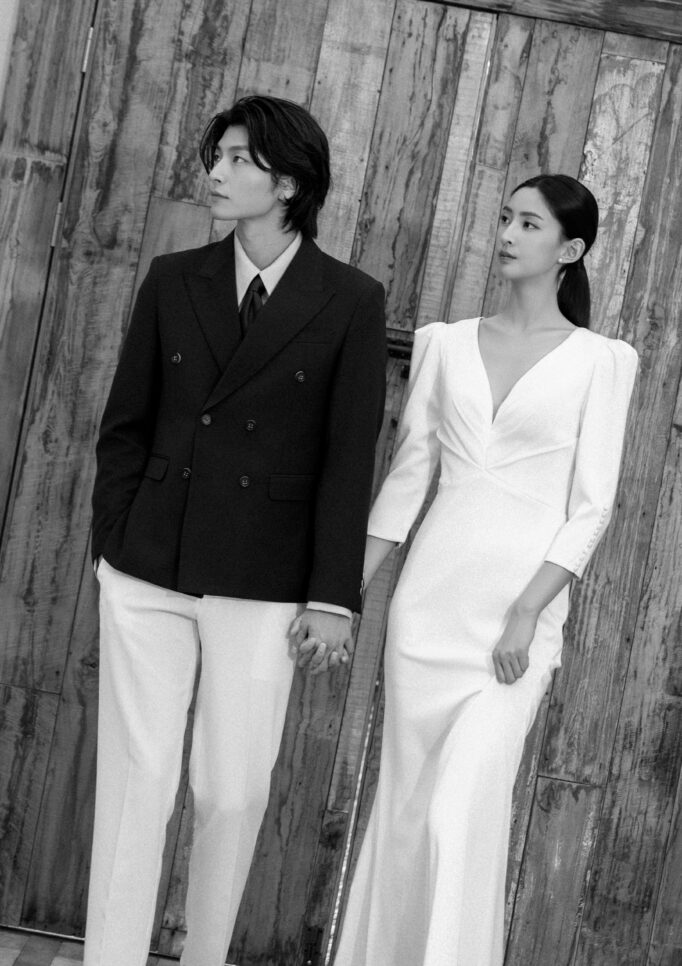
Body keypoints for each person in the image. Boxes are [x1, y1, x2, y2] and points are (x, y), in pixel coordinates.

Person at [85, 95, 386, 966]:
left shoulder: (349, 300)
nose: (215, 173)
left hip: (265, 578)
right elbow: (125, 426)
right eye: (215, 156)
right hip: (148, 564)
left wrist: (333, 597)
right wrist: (112, 544)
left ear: (288, 183)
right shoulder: (173, 278)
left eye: (238, 160)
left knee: (232, 792)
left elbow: (348, 459)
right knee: (136, 784)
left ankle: (204, 955)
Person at [332, 174, 638, 966]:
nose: (507, 233)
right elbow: (408, 481)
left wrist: (528, 611)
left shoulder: (604, 362)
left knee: (459, 811)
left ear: (571, 249)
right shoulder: (444, 343)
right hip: (427, 608)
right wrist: (342, 596)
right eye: (506, 218)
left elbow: (593, 508)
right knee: (406, 810)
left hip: (514, 620)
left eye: (529, 224)